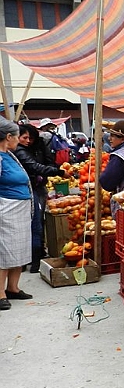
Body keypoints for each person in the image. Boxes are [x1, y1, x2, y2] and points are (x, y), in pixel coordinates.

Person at [14, 124, 64, 273]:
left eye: (31, 138)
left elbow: (48, 161)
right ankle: (33, 259)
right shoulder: (18, 150)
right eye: (25, 138)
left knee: (37, 222)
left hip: (37, 187)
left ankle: (34, 257)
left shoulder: (38, 146)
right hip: (28, 189)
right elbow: (34, 166)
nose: (28, 141)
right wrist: (58, 172)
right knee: (34, 223)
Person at [0, 118, 34, 309]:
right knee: (4, 252)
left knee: (18, 250)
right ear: (8, 137)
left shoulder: (9, 155)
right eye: (18, 136)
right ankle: (0, 293)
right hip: (6, 210)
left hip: (19, 209)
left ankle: (13, 287)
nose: (20, 140)